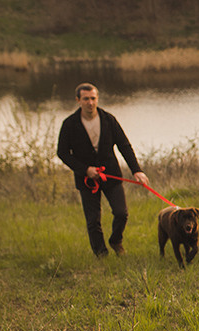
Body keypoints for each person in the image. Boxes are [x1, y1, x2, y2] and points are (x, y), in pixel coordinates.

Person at [56, 83, 149, 257]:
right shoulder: (69, 124)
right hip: (87, 180)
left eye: (93, 98)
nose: (90, 103)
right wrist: (85, 170)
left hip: (111, 175)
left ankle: (116, 241)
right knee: (93, 220)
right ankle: (101, 254)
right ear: (78, 100)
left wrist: (137, 170)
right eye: (86, 99)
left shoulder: (109, 120)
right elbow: (62, 153)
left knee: (121, 213)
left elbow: (124, 146)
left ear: (97, 99)